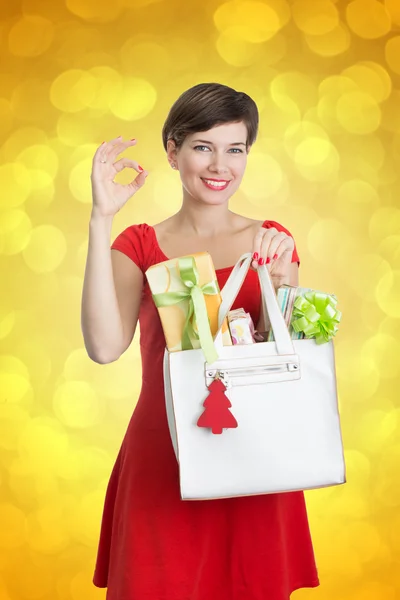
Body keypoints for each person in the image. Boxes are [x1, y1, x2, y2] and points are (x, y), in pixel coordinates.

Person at [81, 82, 319, 600]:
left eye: (235, 149)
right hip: (164, 452)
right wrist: (101, 218)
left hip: (255, 452)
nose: (220, 166)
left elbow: (287, 355)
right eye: (203, 147)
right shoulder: (139, 243)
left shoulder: (272, 240)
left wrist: (280, 280)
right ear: (173, 151)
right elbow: (103, 347)